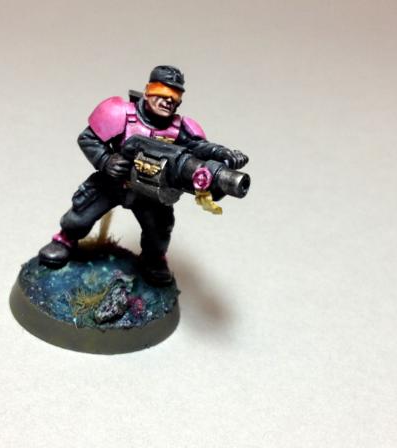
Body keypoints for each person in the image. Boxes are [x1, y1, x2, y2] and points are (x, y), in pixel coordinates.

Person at [38, 65, 248, 285]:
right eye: (162, 93)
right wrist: (106, 160)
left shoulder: (181, 129)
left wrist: (222, 153)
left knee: (159, 229)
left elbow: (200, 148)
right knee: (82, 212)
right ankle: (64, 240)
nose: (168, 101)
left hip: (150, 192)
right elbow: (88, 138)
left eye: (174, 96)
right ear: (148, 91)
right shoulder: (120, 113)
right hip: (113, 182)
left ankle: (154, 259)